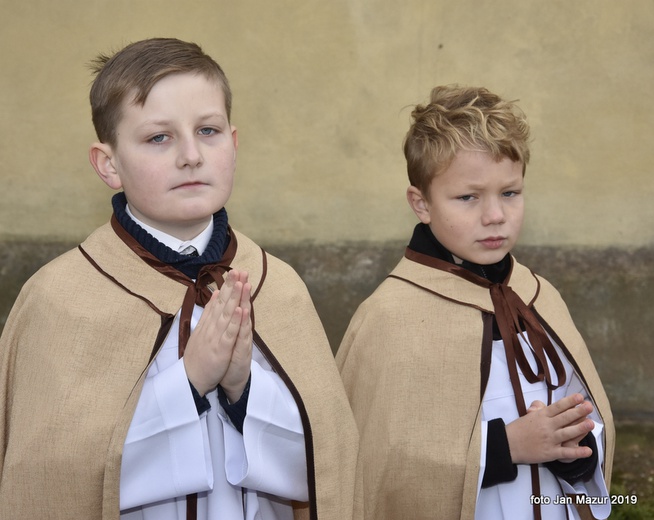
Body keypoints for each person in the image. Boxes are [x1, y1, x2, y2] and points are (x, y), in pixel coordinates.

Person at [0, 38, 358, 520]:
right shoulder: (60, 298)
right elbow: (52, 479)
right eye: (158, 138)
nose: (191, 155)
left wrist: (242, 389)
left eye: (207, 131)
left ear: (233, 143)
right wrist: (188, 382)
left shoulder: (280, 284)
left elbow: (330, 465)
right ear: (109, 165)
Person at [336, 85, 614, 520]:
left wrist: (574, 449)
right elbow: (382, 467)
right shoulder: (390, 317)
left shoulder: (539, 294)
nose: (495, 216)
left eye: (510, 193)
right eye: (468, 197)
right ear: (420, 203)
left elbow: (586, 416)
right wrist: (509, 447)